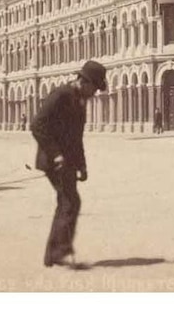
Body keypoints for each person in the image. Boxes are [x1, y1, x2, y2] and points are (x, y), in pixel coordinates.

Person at [31, 60, 107, 267]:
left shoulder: (79, 100)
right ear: (84, 81)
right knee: (69, 201)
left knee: (68, 201)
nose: (95, 93)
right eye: (95, 88)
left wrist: (82, 165)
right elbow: (37, 124)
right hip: (54, 161)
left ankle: (55, 252)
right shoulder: (61, 95)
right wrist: (55, 154)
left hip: (68, 162)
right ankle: (58, 252)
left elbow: (76, 138)